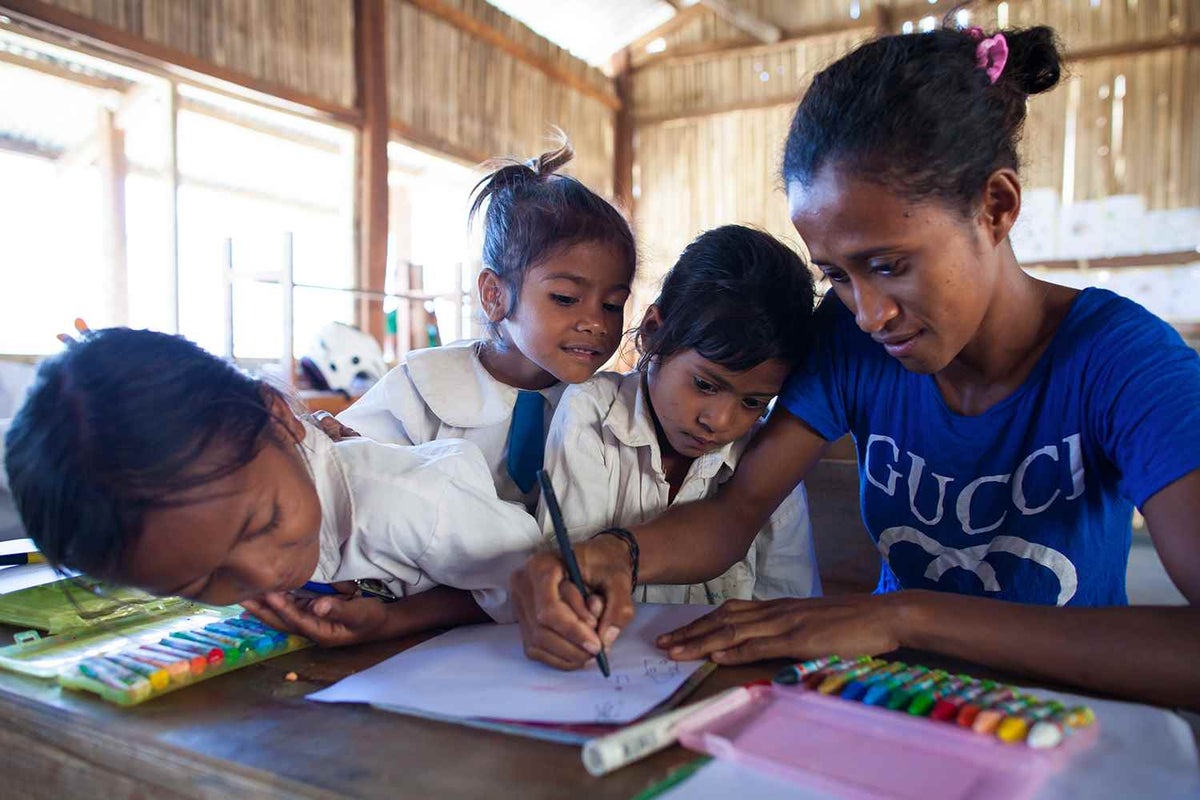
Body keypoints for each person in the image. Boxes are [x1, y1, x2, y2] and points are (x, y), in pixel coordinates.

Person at [509, 25, 1200, 710]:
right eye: (836, 275)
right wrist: (616, 556)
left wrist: (909, 616)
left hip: (1062, 715)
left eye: (889, 266)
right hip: (885, 698)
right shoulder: (851, 344)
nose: (869, 313)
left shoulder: (1126, 366)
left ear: (996, 208)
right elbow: (735, 513)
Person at [247, 138, 638, 643]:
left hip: (556, 629)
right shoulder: (421, 387)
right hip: (418, 634)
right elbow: (351, 485)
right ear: (495, 295)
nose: (595, 323)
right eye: (566, 298)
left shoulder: (612, 412)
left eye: (612, 304)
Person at [5, 328, 542, 630]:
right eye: (200, 583)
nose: (263, 575)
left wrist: (397, 620)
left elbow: (539, 585)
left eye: (262, 523)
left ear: (281, 417)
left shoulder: (410, 503)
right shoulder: (212, 513)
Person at [538, 224, 820, 616]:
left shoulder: (767, 455)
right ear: (654, 333)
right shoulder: (592, 414)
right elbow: (573, 575)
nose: (719, 421)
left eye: (754, 401)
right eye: (705, 384)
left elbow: (786, 606)